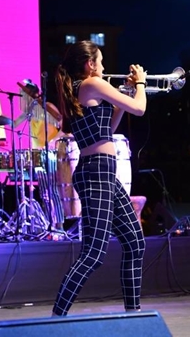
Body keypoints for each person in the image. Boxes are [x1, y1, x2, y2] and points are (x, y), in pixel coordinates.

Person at [52, 40, 147, 316]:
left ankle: (133, 314)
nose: (104, 68)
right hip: (97, 171)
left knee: (135, 242)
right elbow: (140, 109)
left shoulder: (84, 88)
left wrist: (124, 96)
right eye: (101, 62)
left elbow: (107, 129)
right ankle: (57, 316)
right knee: (93, 253)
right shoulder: (92, 83)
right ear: (90, 64)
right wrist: (140, 83)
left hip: (101, 171)